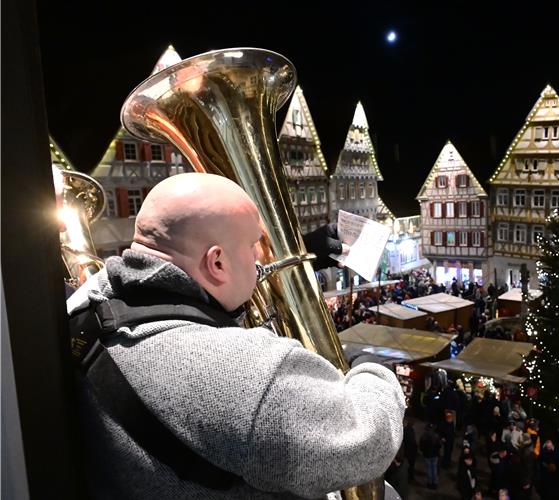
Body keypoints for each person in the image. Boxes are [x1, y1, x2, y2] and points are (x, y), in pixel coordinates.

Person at [67, 173, 405, 499]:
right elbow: (367, 442)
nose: (261, 257)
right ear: (216, 262)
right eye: (253, 245)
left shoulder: (88, 305)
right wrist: (374, 371)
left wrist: (305, 250)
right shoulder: (248, 374)